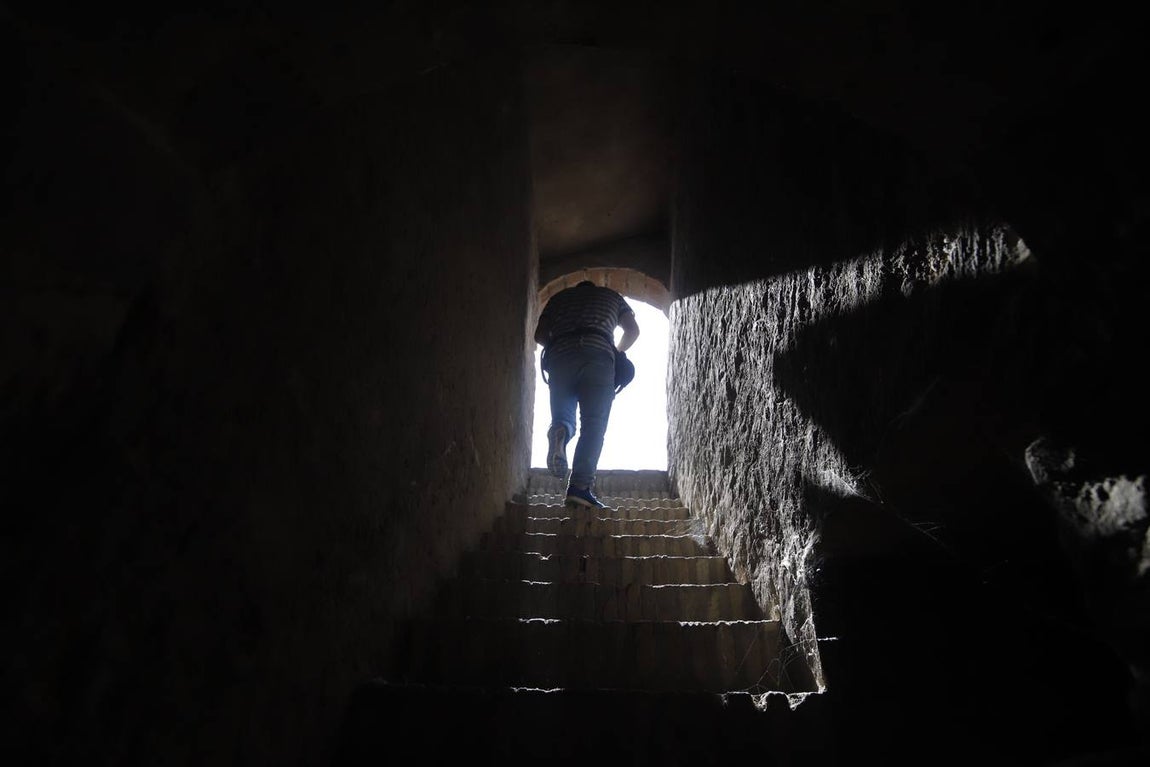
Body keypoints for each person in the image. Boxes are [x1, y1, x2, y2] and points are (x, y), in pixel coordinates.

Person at [534, 279, 640, 508]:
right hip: (599, 355)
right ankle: (579, 487)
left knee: (562, 416)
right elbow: (633, 330)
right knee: (593, 425)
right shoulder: (611, 296)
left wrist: (560, 344)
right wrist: (616, 351)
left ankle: (561, 430)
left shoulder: (558, 299)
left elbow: (540, 335)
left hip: (560, 356)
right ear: (594, 288)